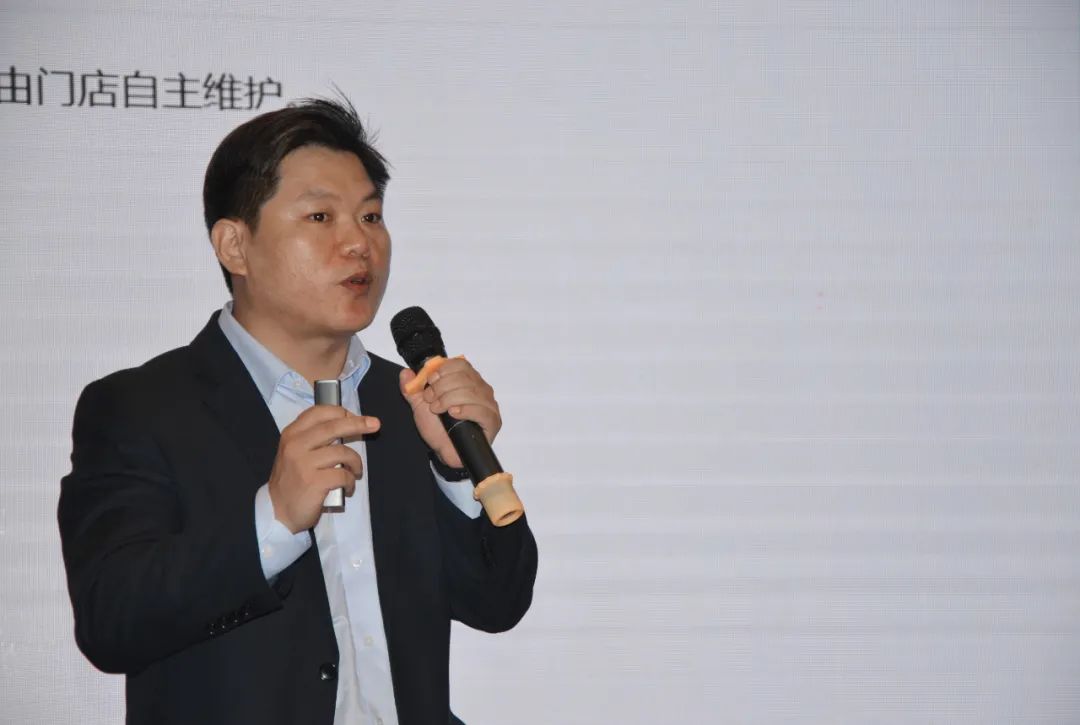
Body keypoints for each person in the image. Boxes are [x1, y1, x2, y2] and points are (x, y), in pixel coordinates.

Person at [57, 97, 537, 725]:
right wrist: (274, 519)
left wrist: (454, 470)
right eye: (320, 216)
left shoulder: (410, 401)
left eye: (371, 216)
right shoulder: (141, 408)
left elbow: (498, 603)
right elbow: (111, 621)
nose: (359, 243)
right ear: (235, 245)